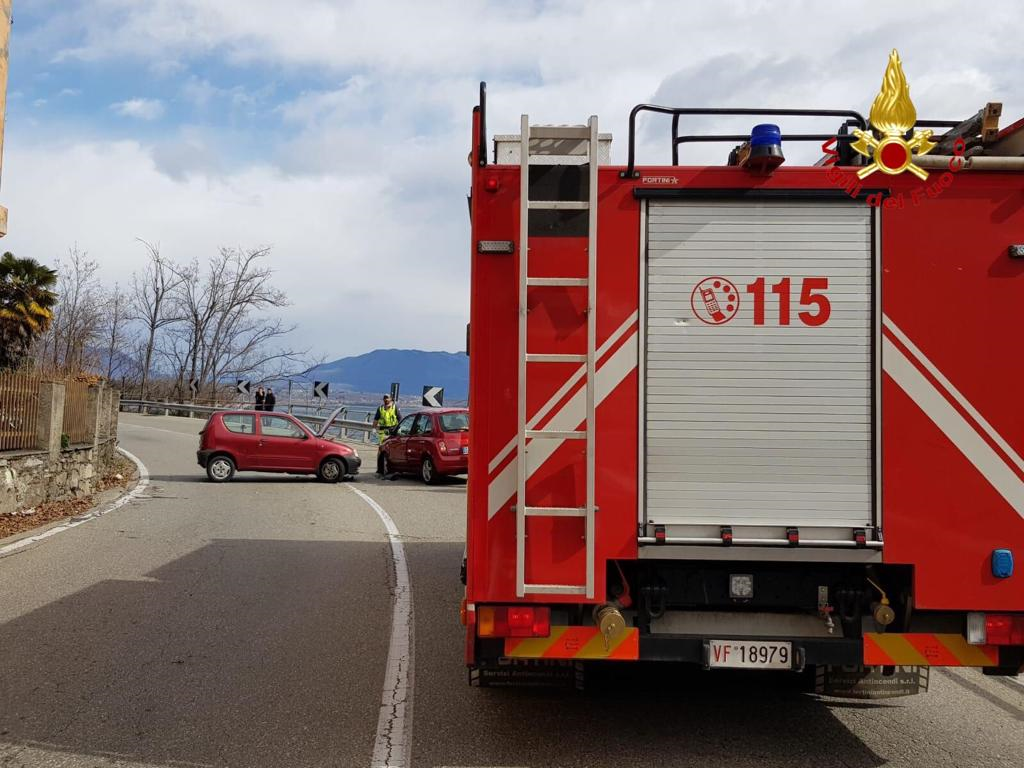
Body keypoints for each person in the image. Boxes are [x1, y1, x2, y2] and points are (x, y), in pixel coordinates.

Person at [372, 394, 400, 474]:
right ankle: (380, 468)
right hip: (383, 432)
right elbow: (376, 419)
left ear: (391, 399)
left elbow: (400, 419)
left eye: (387, 398)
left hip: (393, 431)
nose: (386, 400)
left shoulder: (395, 408)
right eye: (384, 398)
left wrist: (399, 429)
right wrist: (374, 428)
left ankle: (393, 468)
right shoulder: (380, 408)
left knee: (393, 450)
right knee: (381, 450)